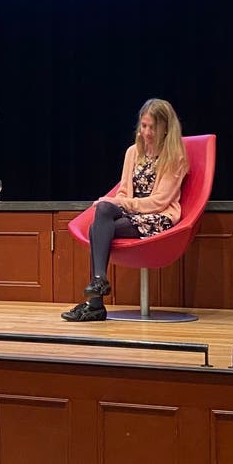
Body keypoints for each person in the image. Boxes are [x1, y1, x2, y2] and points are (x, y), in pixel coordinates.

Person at [63, 99, 187, 322]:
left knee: (97, 230)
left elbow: (160, 201)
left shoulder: (175, 157)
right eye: (143, 126)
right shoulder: (133, 152)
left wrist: (122, 204)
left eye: (152, 127)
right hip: (133, 214)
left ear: (166, 127)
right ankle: (99, 280)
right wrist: (113, 202)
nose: (146, 132)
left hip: (159, 217)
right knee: (102, 210)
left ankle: (95, 305)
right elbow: (124, 191)